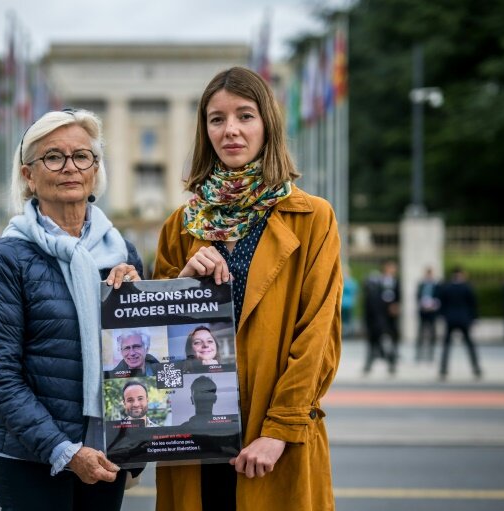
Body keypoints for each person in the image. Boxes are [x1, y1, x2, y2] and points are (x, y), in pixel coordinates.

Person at [153, 67, 342, 511]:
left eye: (245, 115)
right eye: (216, 119)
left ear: (267, 125)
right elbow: (152, 342)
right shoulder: (180, 226)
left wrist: (279, 430)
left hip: (270, 437)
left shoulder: (312, 217)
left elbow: (317, 338)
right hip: (194, 435)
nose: (230, 130)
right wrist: (179, 284)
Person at [0, 108, 143, 511]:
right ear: (29, 175)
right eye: (53, 156)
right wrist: (63, 450)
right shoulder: (8, 257)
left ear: (95, 169)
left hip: (105, 449)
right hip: (31, 457)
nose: (70, 167)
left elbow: (139, 359)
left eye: (82, 156)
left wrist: (137, 304)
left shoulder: (120, 253)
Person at [437, 266, 482, 380]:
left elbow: (442, 304)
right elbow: (473, 304)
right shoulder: (467, 287)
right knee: (469, 344)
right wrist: (474, 318)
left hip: (450, 319)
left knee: (446, 345)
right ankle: (476, 368)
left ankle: (443, 369)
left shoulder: (447, 287)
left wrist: (443, 316)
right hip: (464, 319)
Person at [379, 259, 401, 373]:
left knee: (393, 335)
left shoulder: (396, 281)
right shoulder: (380, 281)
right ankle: (384, 354)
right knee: (382, 335)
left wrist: (396, 306)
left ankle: (393, 357)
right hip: (382, 313)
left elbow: (399, 295)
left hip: (392, 313)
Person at [415, 267, 440, 362]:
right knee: (421, 332)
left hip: (432, 312)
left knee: (432, 333)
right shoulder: (421, 284)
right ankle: (419, 354)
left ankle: (431, 353)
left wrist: (433, 305)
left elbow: (438, 297)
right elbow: (417, 296)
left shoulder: (436, 285)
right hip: (423, 311)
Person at [341, 265, 358, 338]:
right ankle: (346, 332)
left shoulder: (347, 282)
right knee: (345, 319)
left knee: (346, 319)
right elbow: (355, 294)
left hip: (346, 303)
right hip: (345, 303)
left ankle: (347, 332)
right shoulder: (352, 282)